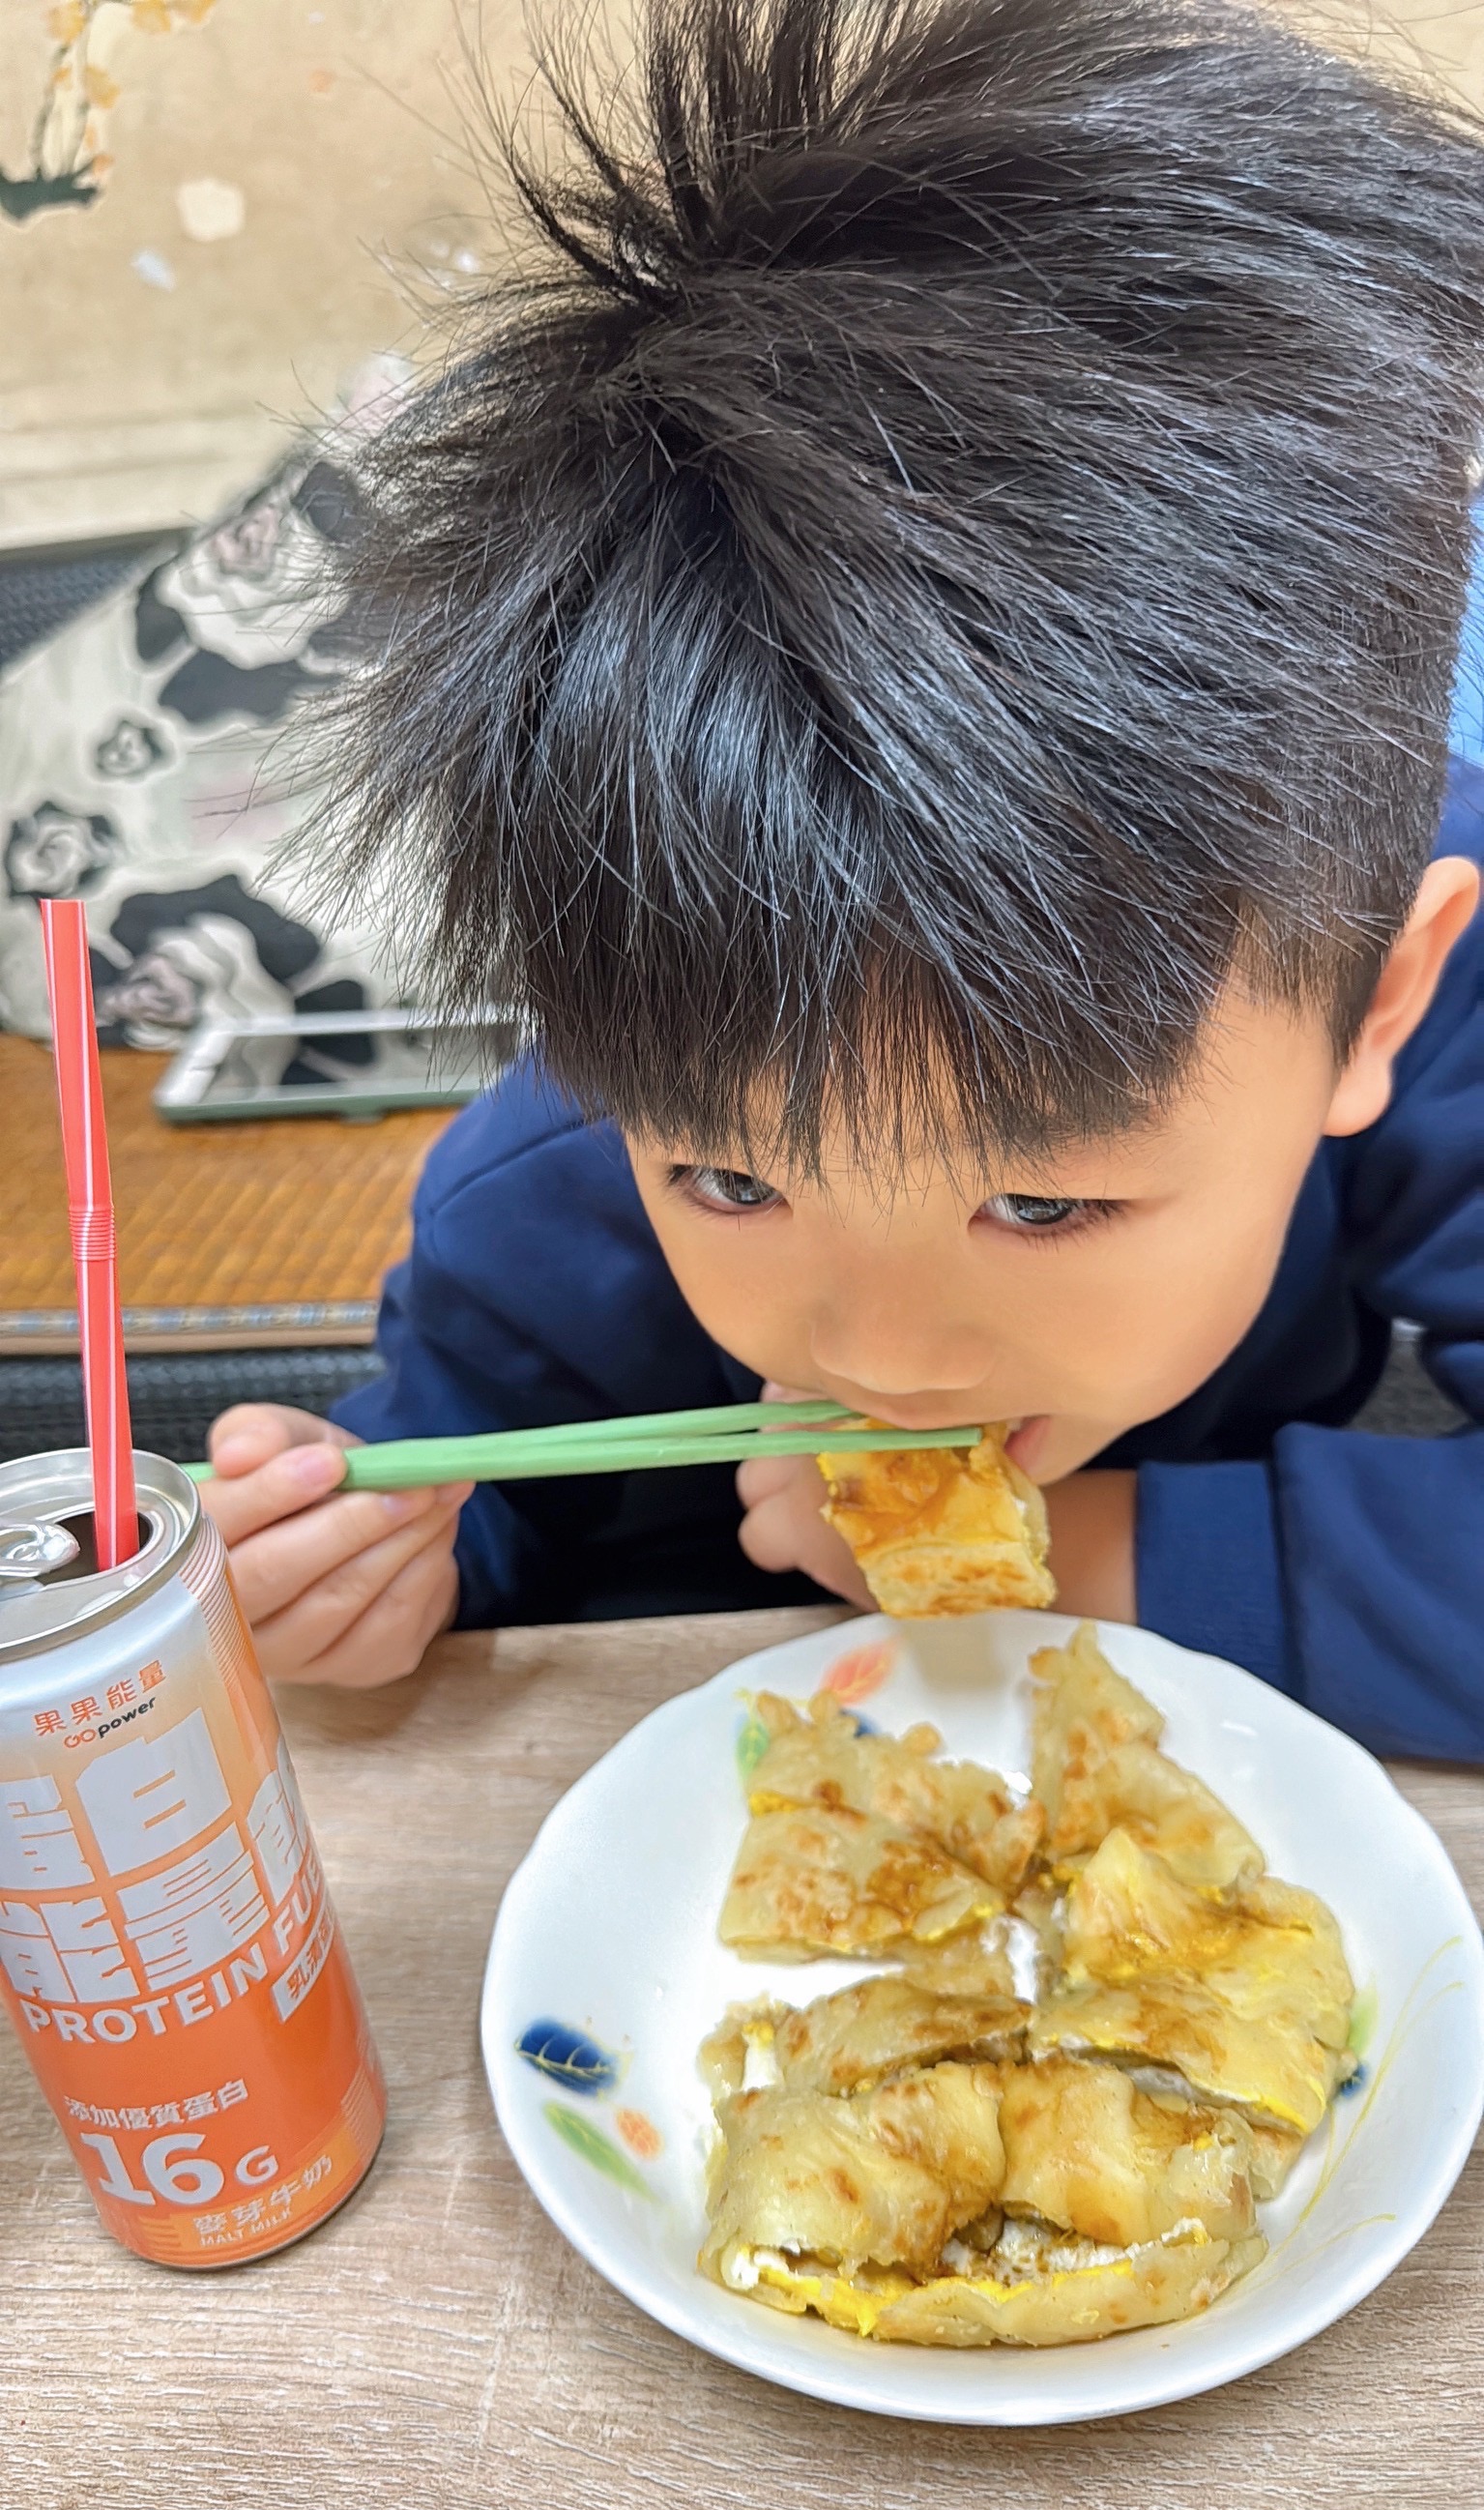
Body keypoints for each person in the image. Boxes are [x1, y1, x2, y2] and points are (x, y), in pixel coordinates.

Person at [202, 0, 1484, 1758]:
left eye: (1043, 1205)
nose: (889, 1362)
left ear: (1381, 999)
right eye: (730, 1177)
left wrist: (1072, 1549)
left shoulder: (1364, 947)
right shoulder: (560, 1165)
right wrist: (375, 1570)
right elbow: (478, 1490)